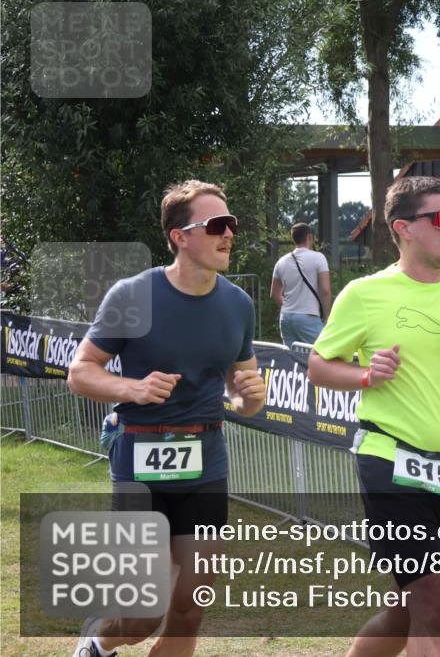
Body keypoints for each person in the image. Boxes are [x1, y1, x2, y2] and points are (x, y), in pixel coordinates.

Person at [307, 176, 440, 657]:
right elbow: (318, 366)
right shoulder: (365, 294)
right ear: (403, 227)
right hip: (389, 460)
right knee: (432, 607)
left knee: (406, 611)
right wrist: (365, 376)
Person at [67, 180, 266, 657]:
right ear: (179, 236)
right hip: (140, 460)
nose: (228, 235)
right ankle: (98, 641)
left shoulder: (238, 304)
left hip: (206, 462)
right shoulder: (134, 295)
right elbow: (80, 372)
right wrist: (131, 388)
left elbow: (243, 397)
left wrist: (251, 400)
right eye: (216, 225)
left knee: (189, 610)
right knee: (140, 615)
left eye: (232, 225)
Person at [271, 222, 331, 347]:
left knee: (292, 359)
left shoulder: (281, 262)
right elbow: (325, 290)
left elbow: (275, 294)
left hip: (286, 318)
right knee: (322, 354)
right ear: (309, 237)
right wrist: (327, 316)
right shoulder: (319, 258)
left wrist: (289, 307)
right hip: (309, 317)